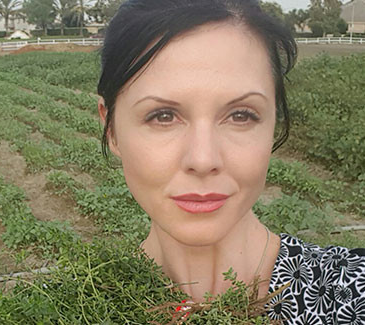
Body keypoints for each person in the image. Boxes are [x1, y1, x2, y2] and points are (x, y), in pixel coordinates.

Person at [96, 0, 365, 323]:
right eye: (163, 116)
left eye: (241, 115)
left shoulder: (352, 293)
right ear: (111, 129)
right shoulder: (70, 307)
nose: (203, 159)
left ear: (272, 125)